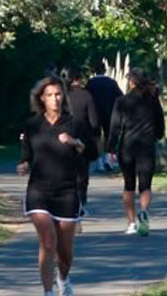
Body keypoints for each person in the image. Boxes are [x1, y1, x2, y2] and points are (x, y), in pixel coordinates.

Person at [17, 77, 98, 296]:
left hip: (67, 191)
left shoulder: (75, 124)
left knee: (65, 253)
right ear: (41, 98)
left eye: (58, 94)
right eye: (50, 95)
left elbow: (93, 153)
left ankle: (63, 278)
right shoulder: (32, 124)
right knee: (47, 241)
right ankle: (48, 291)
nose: (55, 99)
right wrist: (23, 165)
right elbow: (26, 154)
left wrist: (75, 142)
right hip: (39, 191)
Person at [107, 68, 164, 236]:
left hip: (127, 146)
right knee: (145, 186)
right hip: (147, 146)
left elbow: (115, 125)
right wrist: (158, 134)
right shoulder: (152, 100)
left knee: (129, 185)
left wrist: (111, 145)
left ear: (131, 82)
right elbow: (159, 121)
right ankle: (144, 212)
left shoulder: (122, 101)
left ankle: (131, 222)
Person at [60, 64, 99, 228]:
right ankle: (80, 204)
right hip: (81, 140)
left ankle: (66, 205)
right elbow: (94, 122)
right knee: (82, 176)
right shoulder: (85, 96)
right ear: (77, 79)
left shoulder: (57, 96)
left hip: (60, 139)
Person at [86, 59, 123, 172]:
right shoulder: (111, 82)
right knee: (109, 136)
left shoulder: (91, 83)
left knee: (96, 137)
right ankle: (108, 160)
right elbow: (120, 96)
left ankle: (99, 161)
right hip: (110, 112)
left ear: (94, 71)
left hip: (94, 113)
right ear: (105, 70)